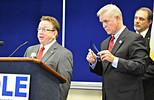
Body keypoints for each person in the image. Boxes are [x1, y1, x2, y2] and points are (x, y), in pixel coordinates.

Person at [86, 4, 149, 100]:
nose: (103, 26)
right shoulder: (105, 43)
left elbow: (140, 67)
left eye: (106, 21)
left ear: (117, 18)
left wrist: (115, 60)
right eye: (102, 22)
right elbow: (107, 72)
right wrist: (94, 63)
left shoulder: (134, 39)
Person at [24, 16, 73, 100]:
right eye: (39, 29)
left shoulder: (64, 54)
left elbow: (63, 85)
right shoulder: (30, 50)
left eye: (45, 29)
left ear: (54, 33)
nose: (40, 32)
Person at [134, 7, 154, 100]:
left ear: (150, 22)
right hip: (129, 91)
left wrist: (135, 76)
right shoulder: (128, 37)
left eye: (141, 19)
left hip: (148, 90)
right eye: (135, 18)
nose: (137, 21)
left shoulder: (152, 40)